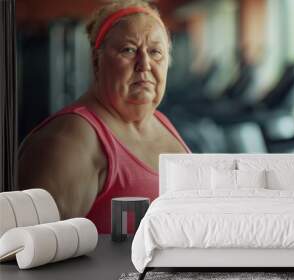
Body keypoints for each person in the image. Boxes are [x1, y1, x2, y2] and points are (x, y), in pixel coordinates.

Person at [18, 0, 190, 233]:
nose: (144, 65)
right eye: (128, 50)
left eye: (155, 52)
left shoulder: (161, 121)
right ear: (96, 61)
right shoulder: (70, 140)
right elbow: (30, 251)